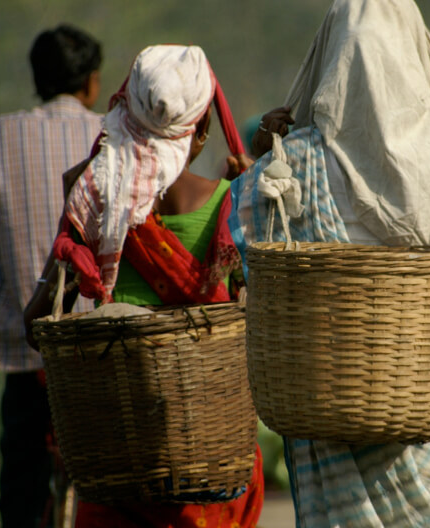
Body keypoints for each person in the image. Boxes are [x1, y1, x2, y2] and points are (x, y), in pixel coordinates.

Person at [233, 0, 430, 527]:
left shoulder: (293, 161)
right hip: (428, 411)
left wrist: (262, 161)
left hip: (326, 411)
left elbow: (249, 255)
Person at [26, 44, 262, 528]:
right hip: (210, 471)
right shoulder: (234, 203)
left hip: (119, 466)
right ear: (202, 131)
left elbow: (35, 325)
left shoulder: (94, 201)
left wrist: (74, 221)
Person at [0, 24, 103, 528]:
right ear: (92, 83)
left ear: (37, 80)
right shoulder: (110, 135)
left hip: (24, 342)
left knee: (21, 480)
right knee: (108, 479)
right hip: (100, 347)